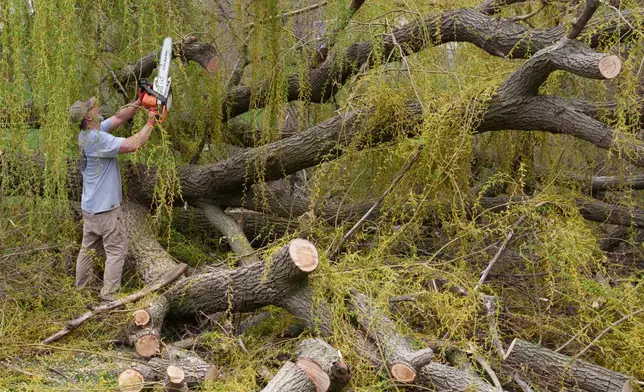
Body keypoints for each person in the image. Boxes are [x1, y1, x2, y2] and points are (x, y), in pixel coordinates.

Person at [70, 95, 156, 301]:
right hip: (105, 209)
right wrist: (152, 121)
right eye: (92, 108)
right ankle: (109, 296)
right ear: (88, 117)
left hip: (90, 206)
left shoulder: (87, 135)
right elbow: (133, 144)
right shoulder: (98, 140)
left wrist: (138, 102)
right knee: (117, 250)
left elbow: (118, 118)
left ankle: (80, 292)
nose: (97, 108)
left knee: (87, 249)